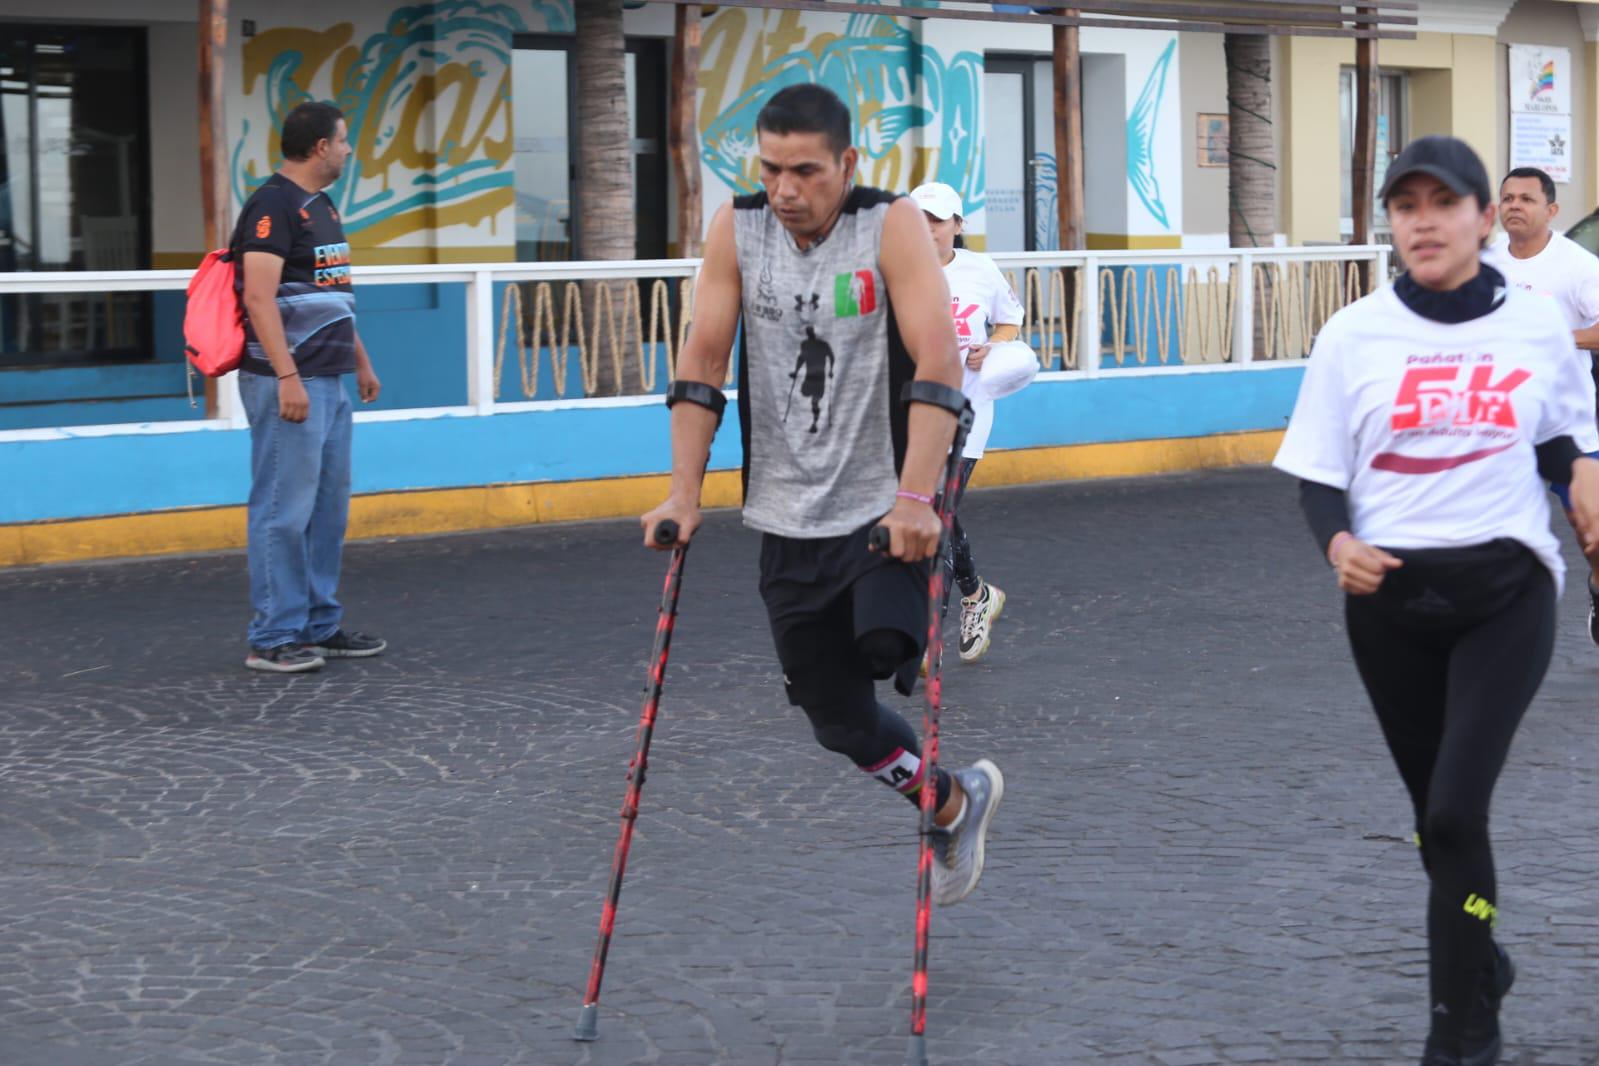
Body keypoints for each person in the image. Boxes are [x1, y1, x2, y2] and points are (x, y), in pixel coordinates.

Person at [1274, 135, 1599, 1066]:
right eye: (1404, 205)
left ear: (1482, 219)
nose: (1422, 220)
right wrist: (1337, 543)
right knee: (1433, 820)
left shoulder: (1534, 324)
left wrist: (1579, 473)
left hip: (1506, 589)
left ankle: (1463, 1033)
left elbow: (1558, 434)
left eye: (1442, 202)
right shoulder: (1353, 334)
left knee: (1457, 810)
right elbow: (1316, 476)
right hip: (1388, 603)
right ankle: (1478, 957)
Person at [641, 84, 1003, 906]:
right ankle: (950, 799)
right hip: (785, 514)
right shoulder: (739, 228)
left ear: (845, 164)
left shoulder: (892, 225)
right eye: (770, 169)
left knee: (885, 643)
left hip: (887, 504)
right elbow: (701, 358)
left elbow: (939, 361)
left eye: (805, 171)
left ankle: (902, 623)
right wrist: (681, 495)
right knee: (838, 723)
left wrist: (917, 498)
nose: (785, 190)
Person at [235, 101, 386, 673]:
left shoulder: (323, 207)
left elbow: (335, 293)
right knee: (282, 509)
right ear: (321, 146)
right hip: (290, 383)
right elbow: (257, 296)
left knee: (327, 511)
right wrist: (287, 377)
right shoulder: (273, 204)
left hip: (330, 378)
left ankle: (319, 625)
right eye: (344, 141)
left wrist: (361, 362)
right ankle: (273, 636)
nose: (349, 150)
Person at [1481, 166, 1599, 642]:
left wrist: (1554, 338)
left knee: (1592, 536)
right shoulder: (1485, 266)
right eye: (1507, 198)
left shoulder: (1577, 265)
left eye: (1526, 199)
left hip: (1567, 427)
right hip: (1499, 427)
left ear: (1550, 210)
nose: (1514, 206)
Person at [909, 181, 1022, 664]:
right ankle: (978, 595)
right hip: (910, 410)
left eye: (936, 220)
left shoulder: (981, 270)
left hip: (967, 413)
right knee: (927, 509)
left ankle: (927, 632)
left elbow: (1010, 321)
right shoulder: (894, 270)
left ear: (958, 225)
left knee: (939, 514)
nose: (927, 229)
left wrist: (991, 348)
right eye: (918, 219)